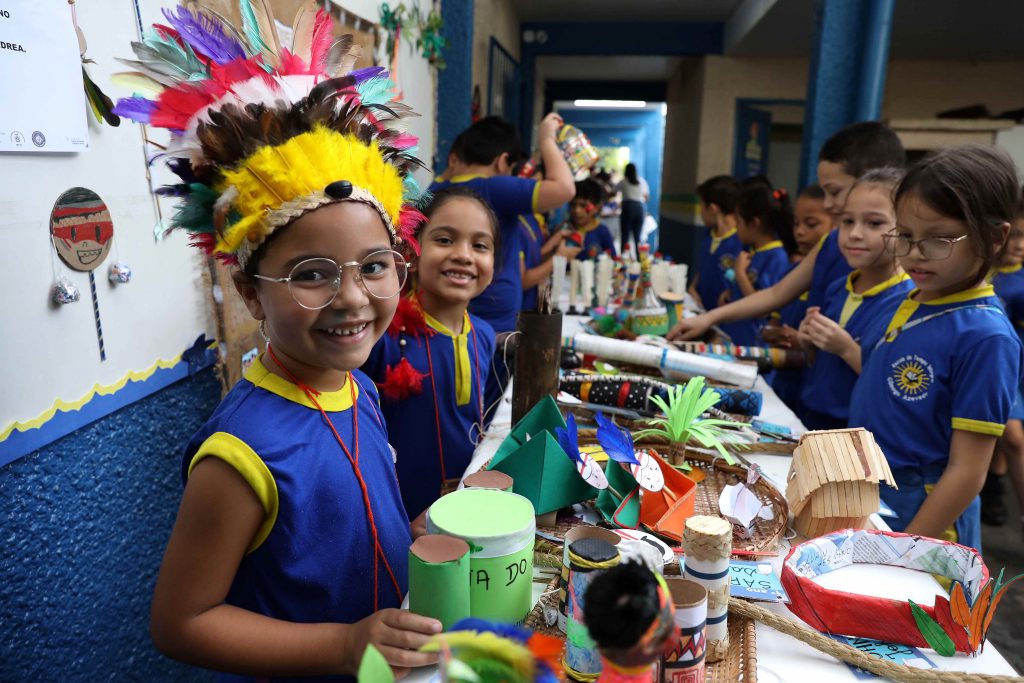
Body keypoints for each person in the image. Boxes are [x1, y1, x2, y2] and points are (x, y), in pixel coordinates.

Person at [114, 10, 442, 679]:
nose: (352, 297)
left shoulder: (361, 387)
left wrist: (416, 537)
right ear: (251, 292)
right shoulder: (239, 455)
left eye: (375, 265)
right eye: (312, 274)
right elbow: (181, 621)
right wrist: (344, 645)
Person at [849, 145, 1024, 551]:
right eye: (905, 236)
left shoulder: (985, 336)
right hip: (875, 490)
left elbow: (967, 472)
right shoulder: (914, 297)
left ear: (995, 238)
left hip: (925, 516)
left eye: (938, 240)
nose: (913, 254)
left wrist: (900, 552)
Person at [669, 121, 905, 341]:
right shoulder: (833, 243)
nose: (827, 204)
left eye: (834, 191)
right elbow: (777, 293)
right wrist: (709, 317)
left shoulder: (902, 288)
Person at [362, 187, 498, 520]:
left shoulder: (484, 335)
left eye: (480, 245)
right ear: (413, 251)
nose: (464, 255)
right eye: (445, 240)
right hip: (391, 518)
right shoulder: (382, 336)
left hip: (464, 515)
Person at [431, 115, 575, 334]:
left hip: (441, 316)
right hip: (493, 325)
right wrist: (546, 138)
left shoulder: (435, 190)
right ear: (502, 161)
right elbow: (564, 189)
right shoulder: (496, 188)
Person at [796, 168, 912, 430]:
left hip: (857, 433)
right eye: (847, 221)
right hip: (812, 415)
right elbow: (824, 365)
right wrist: (810, 344)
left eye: (874, 223)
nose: (855, 233)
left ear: (907, 229)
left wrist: (846, 349)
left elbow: (894, 384)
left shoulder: (909, 301)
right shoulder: (839, 287)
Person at [763, 184, 833, 416]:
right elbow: (771, 320)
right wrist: (771, 333)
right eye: (796, 223)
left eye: (811, 224)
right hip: (782, 383)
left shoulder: (833, 285)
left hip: (808, 387)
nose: (800, 231)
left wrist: (803, 342)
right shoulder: (790, 274)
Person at [982, 203, 1024, 531]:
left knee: (1010, 436)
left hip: (1016, 366)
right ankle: (993, 489)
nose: (1022, 243)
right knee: (1008, 434)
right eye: (1019, 234)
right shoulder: (981, 273)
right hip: (998, 369)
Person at [717, 184, 791, 346]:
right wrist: (731, 292)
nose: (736, 230)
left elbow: (764, 306)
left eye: (738, 224)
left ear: (753, 224)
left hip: (752, 343)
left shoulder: (777, 257)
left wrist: (740, 274)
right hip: (735, 335)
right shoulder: (752, 251)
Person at [688, 175, 741, 312]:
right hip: (701, 311)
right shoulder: (708, 235)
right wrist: (693, 287)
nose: (700, 212)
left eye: (701, 206)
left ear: (712, 209)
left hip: (725, 318)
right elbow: (704, 266)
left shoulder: (741, 241)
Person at [568, 178, 617, 260]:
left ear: (597, 208)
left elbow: (613, 260)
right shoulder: (565, 231)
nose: (577, 210)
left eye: (583, 206)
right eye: (573, 205)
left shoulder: (602, 232)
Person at [615, 162, 650, 257]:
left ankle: (623, 257)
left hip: (628, 208)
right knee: (637, 236)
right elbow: (646, 198)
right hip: (640, 208)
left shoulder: (623, 182)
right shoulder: (642, 181)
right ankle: (640, 259)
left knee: (625, 235)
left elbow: (613, 192)